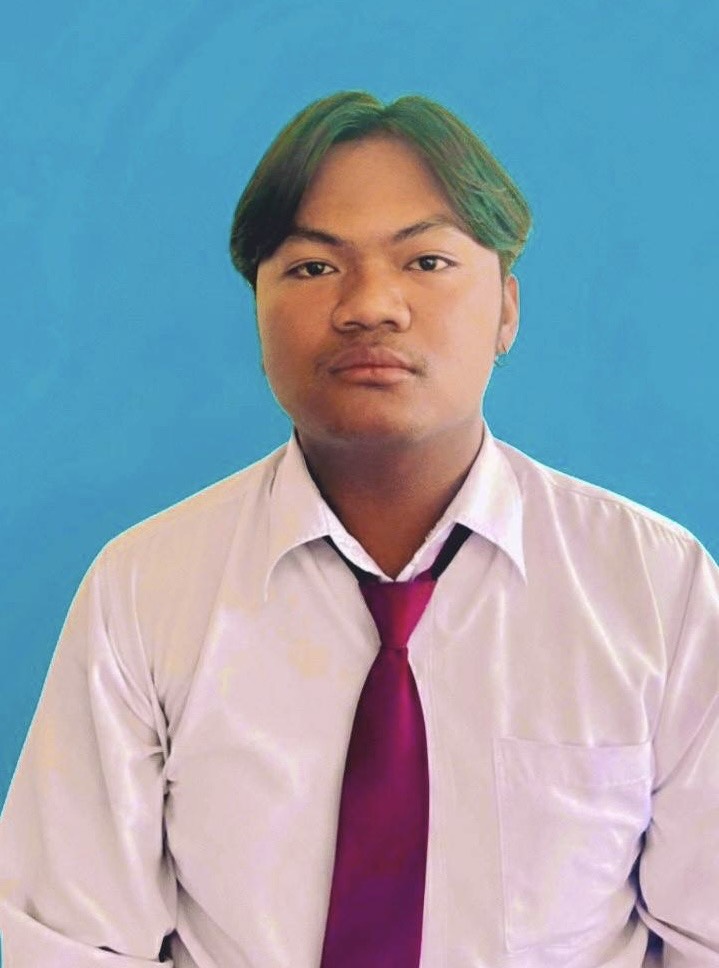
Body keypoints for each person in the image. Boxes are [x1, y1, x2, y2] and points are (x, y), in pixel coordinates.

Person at [0, 90, 717, 967]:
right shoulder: (146, 590)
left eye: (426, 261)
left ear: (506, 309)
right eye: (312, 267)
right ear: (256, 307)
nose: (371, 305)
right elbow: (70, 943)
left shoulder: (655, 588)